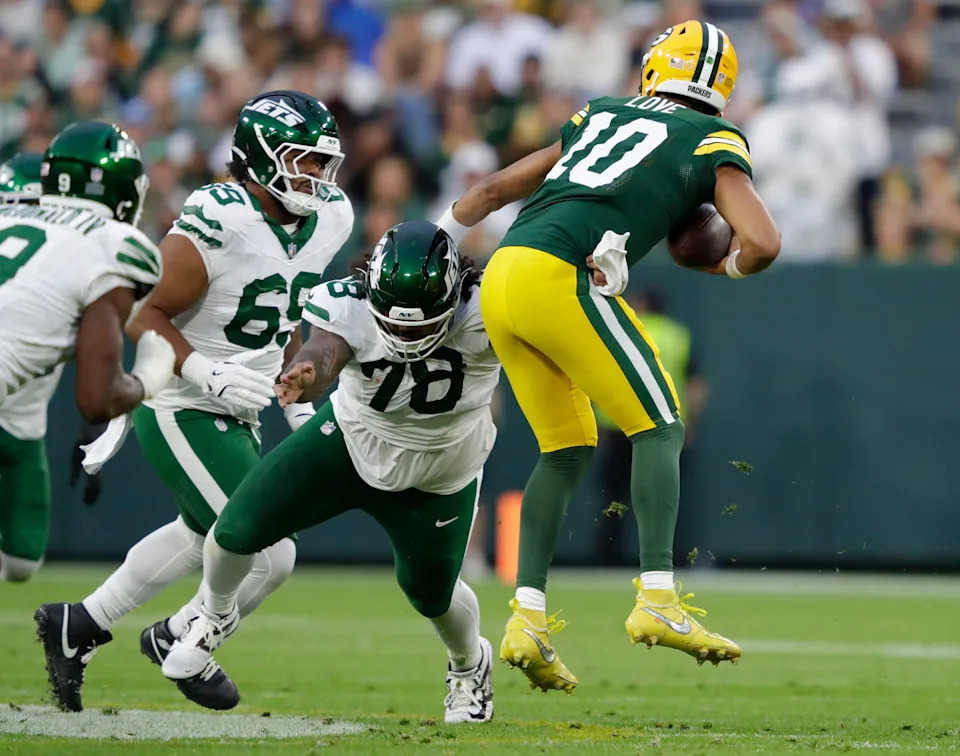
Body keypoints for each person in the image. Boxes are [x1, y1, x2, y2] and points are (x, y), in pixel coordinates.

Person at [435, 20, 781, 692]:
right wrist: (728, 267)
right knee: (662, 423)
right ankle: (658, 598)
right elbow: (763, 241)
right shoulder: (712, 137)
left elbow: (489, 192)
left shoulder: (601, 112)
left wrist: (438, 236)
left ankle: (527, 620)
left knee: (566, 450)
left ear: (656, 67)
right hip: (558, 276)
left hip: (503, 274)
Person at [35, 91, 355, 713]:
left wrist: (294, 384)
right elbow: (141, 311)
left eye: (324, 163)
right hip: (182, 402)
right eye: (305, 161)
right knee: (269, 550)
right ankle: (183, 637)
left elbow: (286, 306)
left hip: (243, 405)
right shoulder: (221, 218)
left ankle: (79, 623)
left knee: (197, 533)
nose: (317, 176)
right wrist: (206, 372)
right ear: (260, 157)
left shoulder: (330, 218)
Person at [158, 221, 498, 723]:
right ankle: (212, 614)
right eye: (395, 323)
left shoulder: (491, 307)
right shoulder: (348, 304)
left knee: (432, 595)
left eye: (420, 324)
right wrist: (308, 371)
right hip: (350, 439)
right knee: (235, 529)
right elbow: (325, 350)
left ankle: (470, 665)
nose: (405, 335)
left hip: (441, 468)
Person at [0, 127, 174, 584]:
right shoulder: (113, 244)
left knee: (18, 562)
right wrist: (150, 377)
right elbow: (97, 399)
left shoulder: (10, 215)